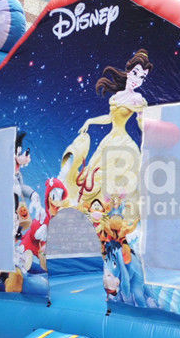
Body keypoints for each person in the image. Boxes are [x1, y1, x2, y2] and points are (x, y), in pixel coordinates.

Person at [60, 49, 152, 224]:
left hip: (123, 145)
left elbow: (143, 125)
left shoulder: (138, 99)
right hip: (109, 141)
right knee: (93, 176)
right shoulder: (117, 97)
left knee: (117, 180)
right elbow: (110, 118)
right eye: (135, 73)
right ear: (128, 71)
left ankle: (114, 219)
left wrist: (141, 116)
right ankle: (91, 215)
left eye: (142, 77)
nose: (137, 79)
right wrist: (90, 121)